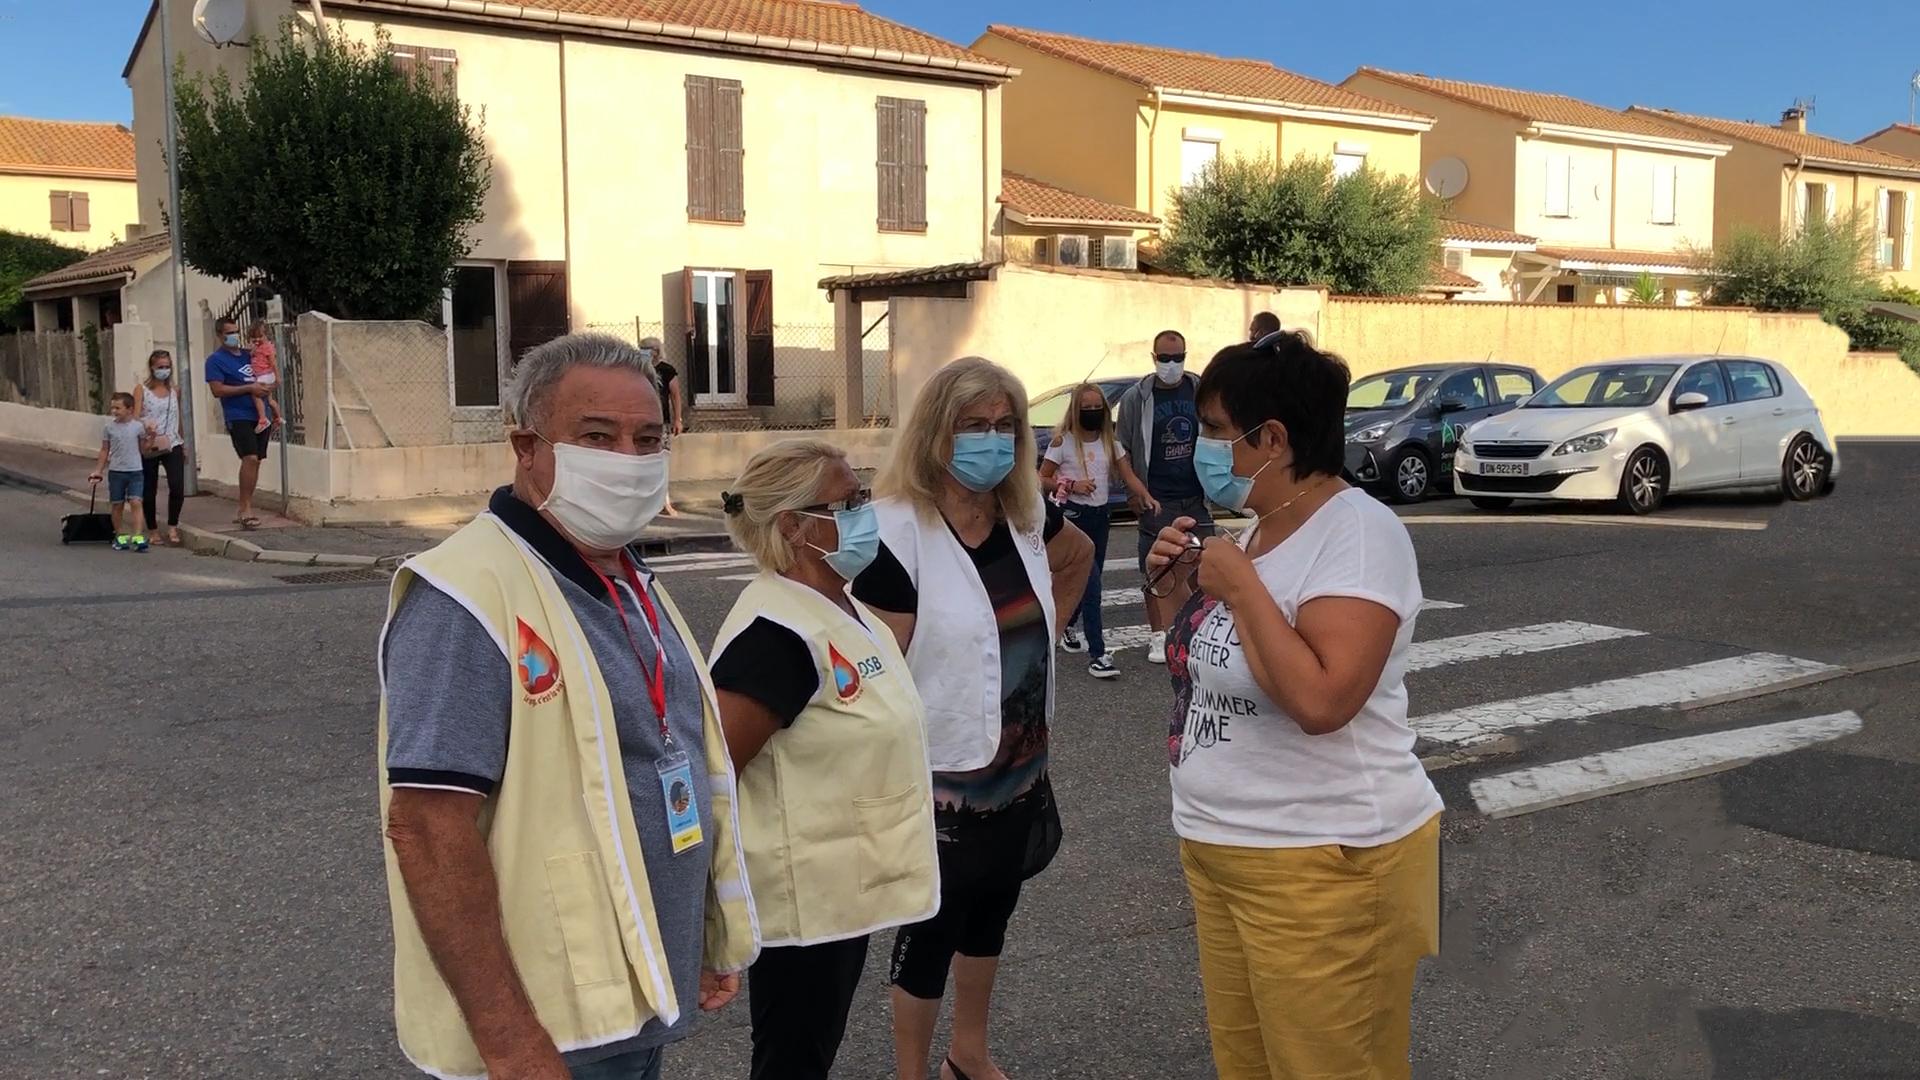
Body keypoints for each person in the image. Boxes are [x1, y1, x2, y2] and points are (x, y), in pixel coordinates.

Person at [377, 333, 756, 1080]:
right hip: (548, 1032)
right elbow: (426, 828)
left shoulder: (626, 576)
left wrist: (698, 933)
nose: (629, 458)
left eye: (648, 439)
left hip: (634, 995)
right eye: (596, 437)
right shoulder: (467, 596)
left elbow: (664, 761)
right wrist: (512, 1044)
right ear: (526, 446)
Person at [1145, 333, 1443, 1080]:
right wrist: (1177, 590)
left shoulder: (1360, 533)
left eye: (1216, 431)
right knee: (1248, 1066)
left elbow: (1321, 698)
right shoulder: (1260, 528)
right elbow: (1213, 668)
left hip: (1323, 861)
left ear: (1271, 439)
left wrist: (1239, 585)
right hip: (1224, 849)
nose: (1200, 447)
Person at [851, 356, 1093, 1080]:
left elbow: (1076, 558)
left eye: (1004, 426)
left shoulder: (1025, 515)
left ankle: (970, 1051)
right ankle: (912, 1073)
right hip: (941, 773)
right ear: (935, 433)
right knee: (931, 930)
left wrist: (1031, 645)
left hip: (1018, 760)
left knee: (993, 912)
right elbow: (869, 672)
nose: (991, 440)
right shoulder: (890, 531)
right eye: (972, 425)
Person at [709, 439, 939, 1080]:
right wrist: (710, 911)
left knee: (809, 1051)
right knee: (791, 1060)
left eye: (862, 496)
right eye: (848, 502)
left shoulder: (843, 601)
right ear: (793, 525)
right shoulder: (773, 638)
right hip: (801, 898)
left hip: (842, 884)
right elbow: (713, 771)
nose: (865, 513)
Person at [1039, 383, 1155, 679]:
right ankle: (1098, 654)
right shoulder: (1061, 442)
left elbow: (1128, 476)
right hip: (1074, 516)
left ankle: (1067, 623)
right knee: (1093, 589)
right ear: (1075, 411)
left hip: (1100, 517)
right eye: (1085, 408)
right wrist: (1071, 485)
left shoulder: (1110, 442)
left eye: (1096, 408)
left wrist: (1146, 497)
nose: (1092, 413)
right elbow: (1042, 478)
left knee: (1090, 580)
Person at [1115, 329, 1213, 664]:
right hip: (1157, 496)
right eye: (1165, 358)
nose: (1172, 364)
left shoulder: (1199, 390)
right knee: (1158, 569)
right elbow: (1121, 448)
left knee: (1205, 565)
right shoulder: (1137, 397)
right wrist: (1136, 489)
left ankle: (1203, 631)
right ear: (1154, 358)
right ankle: (1159, 636)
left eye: (1178, 357)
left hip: (1195, 494)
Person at [203, 317, 274, 529]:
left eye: (236, 331)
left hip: (261, 413)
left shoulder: (247, 355)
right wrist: (248, 389)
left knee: (257, 460)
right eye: (229, 332)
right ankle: (245, 508)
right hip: (238, 415)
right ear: (220, 335)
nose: (234, 335)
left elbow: (265, 371)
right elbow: (218, 390)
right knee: (249, 457)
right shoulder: (215, 361)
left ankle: (246, 504)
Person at [132, 349, 186, 546]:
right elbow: (135, 417)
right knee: (149, 489)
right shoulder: (142, 390)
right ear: (152, 368)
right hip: (150, 443)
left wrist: (184, 442)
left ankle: (173, 525)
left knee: (177, 486)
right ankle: (153, 529)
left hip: (172, 442)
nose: (164, 370)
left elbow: (178, 417)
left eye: (167, 367)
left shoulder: (175, 391)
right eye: (160, 367)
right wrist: (146, 427)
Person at [87, 392, 148, 552]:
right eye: (113, 407)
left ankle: (138, 535)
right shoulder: (109, 428)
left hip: (135, 470)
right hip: (116, 471)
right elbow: (104, 450)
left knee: (136, 502)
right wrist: (98, 471)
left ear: (129, 409)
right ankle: (120, 534)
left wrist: (152, 437)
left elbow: (143, 449)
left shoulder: (138, 427)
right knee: (117, 504)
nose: (114, 411)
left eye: (118, 408)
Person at [639, 337, 683, 517]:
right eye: (642, 348)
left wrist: (678, 419)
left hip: (661, 423)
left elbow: (675, 396)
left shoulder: (666, 370)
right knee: (641, 462)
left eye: (648, 348)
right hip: (641, 423)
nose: (645, 351)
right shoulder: (637, 370)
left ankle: (664, 502)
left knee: (661, 461)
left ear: (657, 351)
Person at [246, 320, 285, 435]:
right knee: (269, 400)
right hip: (262, 375)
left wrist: (278, 377)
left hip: (265, 375)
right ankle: (278, 418)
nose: (257, 340)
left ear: (266, 335)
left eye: (260, 336)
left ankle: (263, 419)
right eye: (254, 337)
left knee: (255, 394)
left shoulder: (267, 347)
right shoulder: (258, 347)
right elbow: (252, 354)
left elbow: (273, 363)